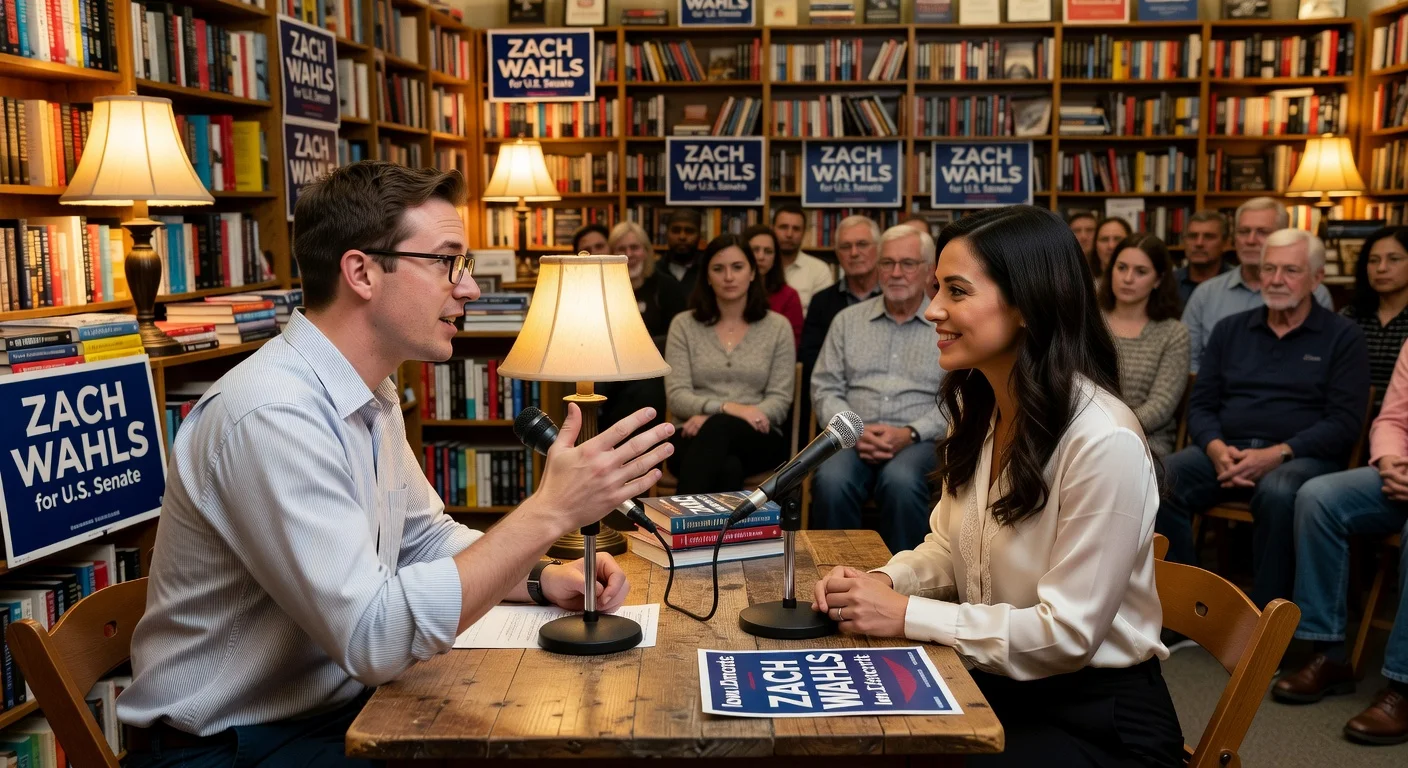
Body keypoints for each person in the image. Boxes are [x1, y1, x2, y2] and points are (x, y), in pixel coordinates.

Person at [117, 162, 675, 766]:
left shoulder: (370, 392)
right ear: (361, 272)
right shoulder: (272, 413)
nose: (469, 288)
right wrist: (548, 512)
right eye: (446, 262)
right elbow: (372, 637)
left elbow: (420, 538)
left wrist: (537, 578)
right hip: (224, 749)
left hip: (329, 715)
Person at [812, 205, 1183, 767]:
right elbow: (950, 545)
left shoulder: (1103, 440)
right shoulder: (979, 409)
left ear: (1030, 304)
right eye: (937, 287)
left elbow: (1067, 635)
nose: (933, 309)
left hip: (1094, 718)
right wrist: (883, 580)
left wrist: (905, 614)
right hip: (996, 680)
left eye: (956, 291)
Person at [1157, 228, 1369, 609]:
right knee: (1159, 477)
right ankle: (1188, 608)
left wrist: (1277, 454)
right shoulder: (1231, 330)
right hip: (1225, 453)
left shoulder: (1343, 336)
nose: (1275, 279)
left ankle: (1261, 624)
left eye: (1290, 270)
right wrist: (1217, 447)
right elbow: (1201, 405)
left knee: (1278, 491)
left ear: (1317, 278)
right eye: (1268, 268)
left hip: (1299, 458)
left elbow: (1344, 422)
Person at [1273, 341, 1408, 745]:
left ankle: (1403, 686)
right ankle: (1328, 653)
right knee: (1318, 498)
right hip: (1400, 471)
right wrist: (1388, 461)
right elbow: (1393, 418)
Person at [809, 225, 946, 553]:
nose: (896, 273)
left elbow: (956, 398)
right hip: (853, 437)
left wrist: (911, 433)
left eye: (908, 264)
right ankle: (834, 579)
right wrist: (852, 430)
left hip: (921, 441)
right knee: (830, 481)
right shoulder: (847, 320)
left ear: (929, 271)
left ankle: (903, 588)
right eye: (887, 263)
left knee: (900, 482)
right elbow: (825, 386)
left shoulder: (946, 323)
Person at [665, 234, 795, 494]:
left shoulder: (778, 327)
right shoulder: (683, 325)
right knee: (728, 468)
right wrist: (728, 408)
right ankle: (729, 536)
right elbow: (676, 396)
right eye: (718, 268)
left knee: (719, 429)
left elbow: (780, 402)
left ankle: (677, 527)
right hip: (690, 435)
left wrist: (712, 417)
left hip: (759, 436)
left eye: (737, 267)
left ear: (752, 273)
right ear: (707, 277)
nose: (728, 276)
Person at [1183, 197, 1333, 372]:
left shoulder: (1313, 293)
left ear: (1283, 236)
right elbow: (1188, 361)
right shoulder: (1206, 293)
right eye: (1243, 231)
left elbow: (1320, 359)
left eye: (1262, 232)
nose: (1251, 240)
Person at [1100, 233, 1190, 457]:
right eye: (1121, 268)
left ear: (1158, 280)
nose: (1128, 278)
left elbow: (1161, 406)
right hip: (1084, 432)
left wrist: (1112, 429)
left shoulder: (1173, 333)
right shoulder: (1091, 321)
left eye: (1141, 272)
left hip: (1145, 440)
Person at [595, 220, 688, 433]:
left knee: (645, 392)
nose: (629, 254)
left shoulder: (667, 287)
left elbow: (678, 337)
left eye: (635, 247)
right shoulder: (601, 288)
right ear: (612, 253)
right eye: (621, 249)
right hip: (610, 372)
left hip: (654, 374)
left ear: (646, 251)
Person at [1339, 227, 1408, 408]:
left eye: (1394, 259)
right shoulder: (1349, 316)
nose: (1381, 268)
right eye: (1373, 261)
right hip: (1350, 413)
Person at [743, 224, 803, 348]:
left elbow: (791, 345)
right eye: (755, 250)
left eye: (768, 251)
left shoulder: (789, 296)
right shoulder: (731, 290)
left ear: (775, 257)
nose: (761, 257)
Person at [773, 203, 835, 311]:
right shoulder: (759, 266)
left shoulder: (819, 270)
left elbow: (822, 315)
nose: (789, 234)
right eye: (783, 227)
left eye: (796, 229)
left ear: (804, 233)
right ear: (772, 229)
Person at [1174, 210, 1234, 307]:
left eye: (1209, 237)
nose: (1199, 243)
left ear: (1226, 244)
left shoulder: (1237, 283)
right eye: (1192, 236)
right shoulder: (1169, 284)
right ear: (1184, 242)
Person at [657, 208, 703, 293]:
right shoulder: (654, 271)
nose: (682, 237)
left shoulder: (708, 270)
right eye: (676, 231)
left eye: (689, 231)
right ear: (666, 234)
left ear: (699, 236)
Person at [1091, 216, 1132, 283]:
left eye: (1118, 239)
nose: (1111, 246)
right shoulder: (1085, 285)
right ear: (1095, 245)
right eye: (1104, 239)